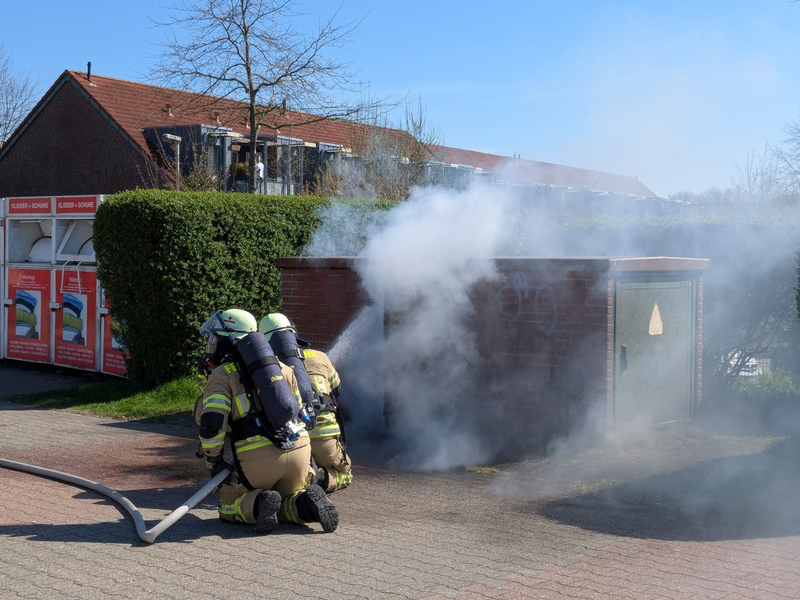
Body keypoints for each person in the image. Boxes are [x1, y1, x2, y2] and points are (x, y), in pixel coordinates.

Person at [196, 308, 338, 534]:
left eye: (215, 338)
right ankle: (306, 505)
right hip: (299, 454)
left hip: (256, 462)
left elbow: (212, 424)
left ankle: (259, 500)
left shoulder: (222, 375)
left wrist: (214, 461)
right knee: (287, 499)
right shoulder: (283, 368)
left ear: (226, 340)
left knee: (229, 504)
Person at [259, 313, 353, 494]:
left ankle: (303, 478)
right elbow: (337, 390)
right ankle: (322, 479)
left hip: (291, 441)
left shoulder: (268, 366)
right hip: (325, 435)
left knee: (288, 481)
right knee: (345, 472)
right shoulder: (321, 356)